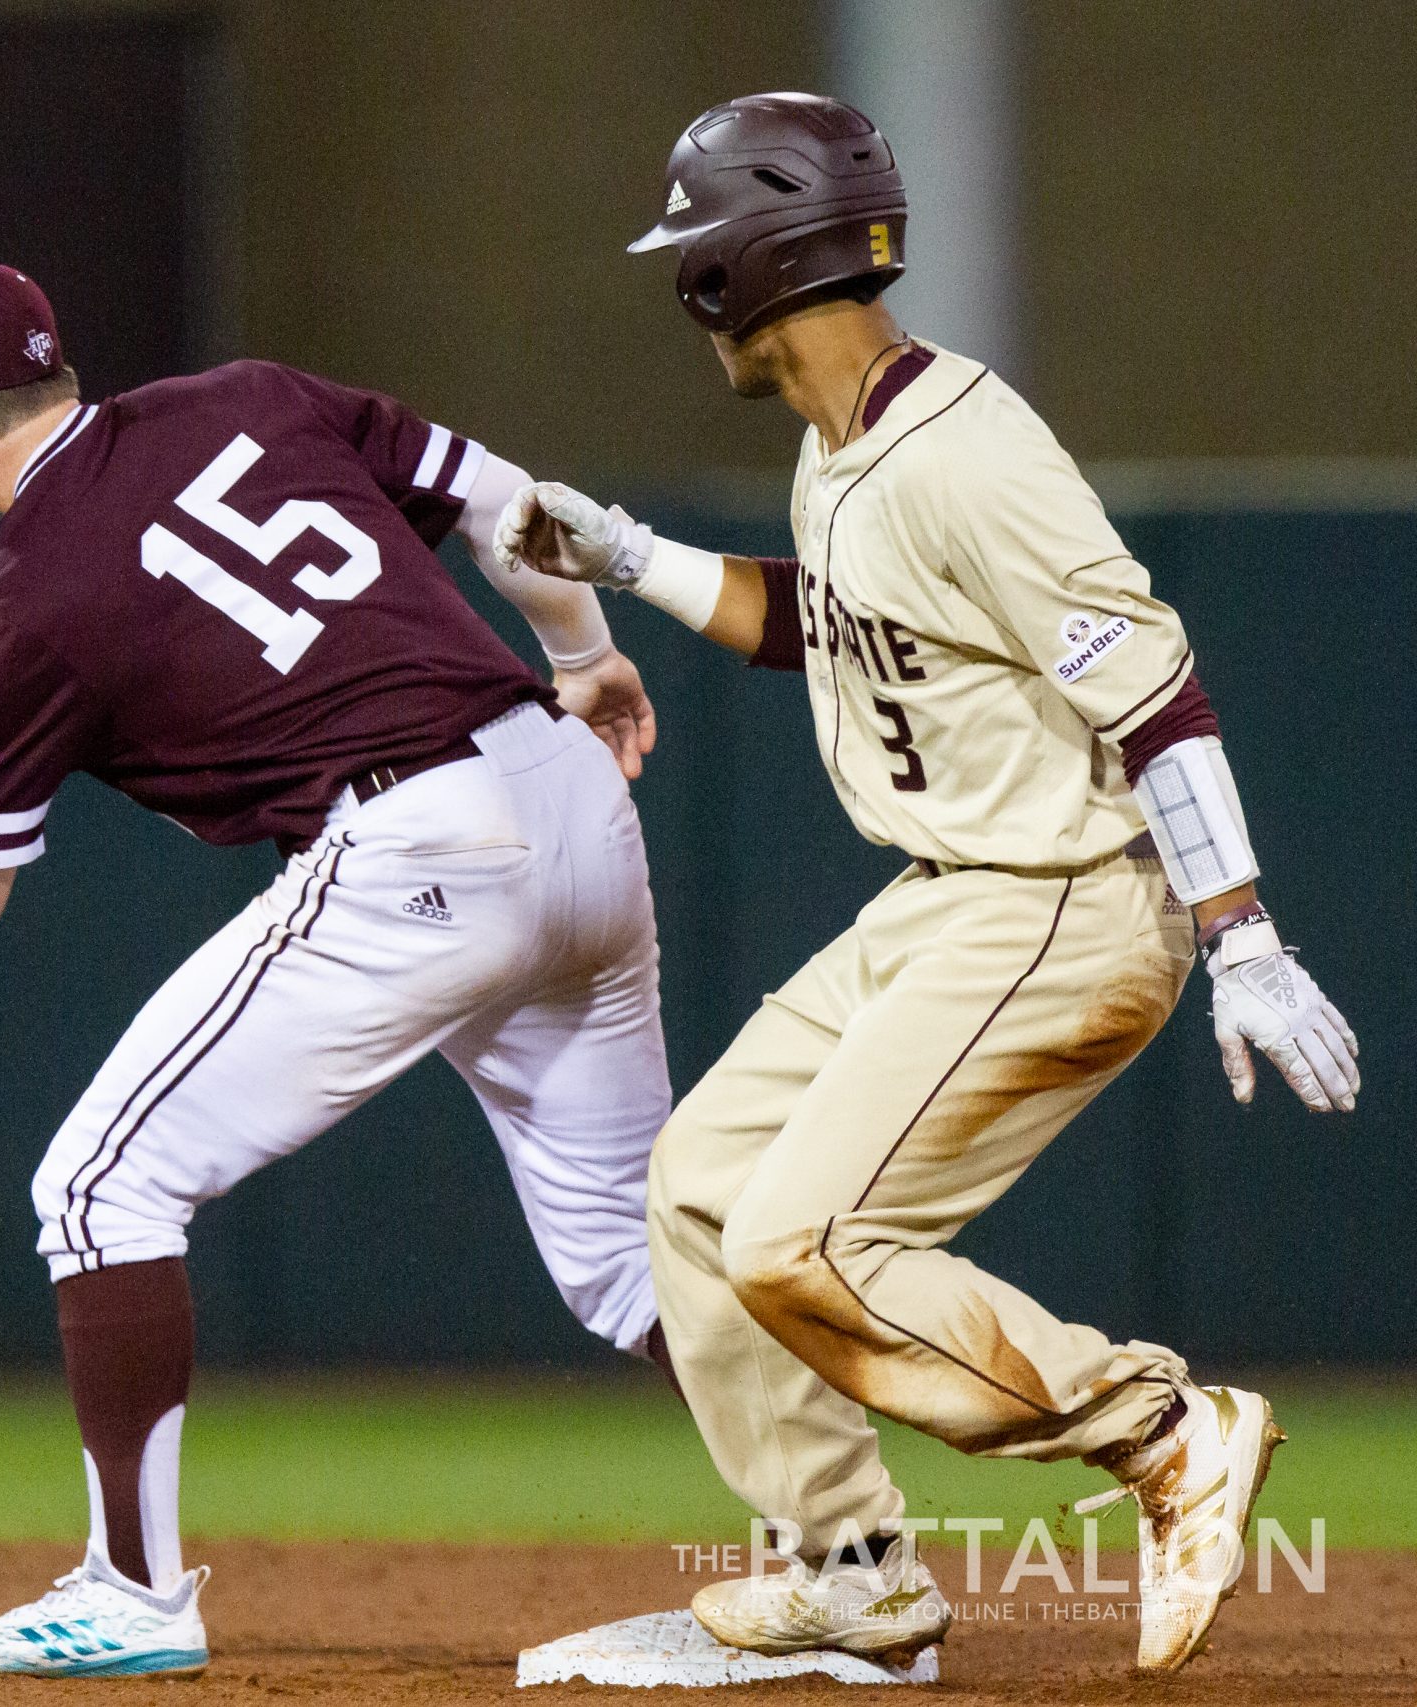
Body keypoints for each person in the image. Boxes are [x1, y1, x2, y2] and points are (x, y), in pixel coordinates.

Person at [0, 253, 676, 1677]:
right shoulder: (251, 397)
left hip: (418, 846)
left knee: (101, 1187)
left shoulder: (15, 601)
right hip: (568, 787)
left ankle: (134, 1595)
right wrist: (581, 651)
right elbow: (507, 500)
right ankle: (850, 1558)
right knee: (636, 1263)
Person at [498, 93, 1360, 1675]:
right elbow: (827, 629)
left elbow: (1149, 681)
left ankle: (1160, 1429)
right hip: (949, 901)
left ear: (743, 265)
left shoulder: (964, 446)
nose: (683, 281)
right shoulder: (847, 452)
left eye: (695, 246)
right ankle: (853, 1572)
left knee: (801, 1243)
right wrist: (630, 558)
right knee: (697, 1192)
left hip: (1058, 897)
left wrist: (1241, 932)